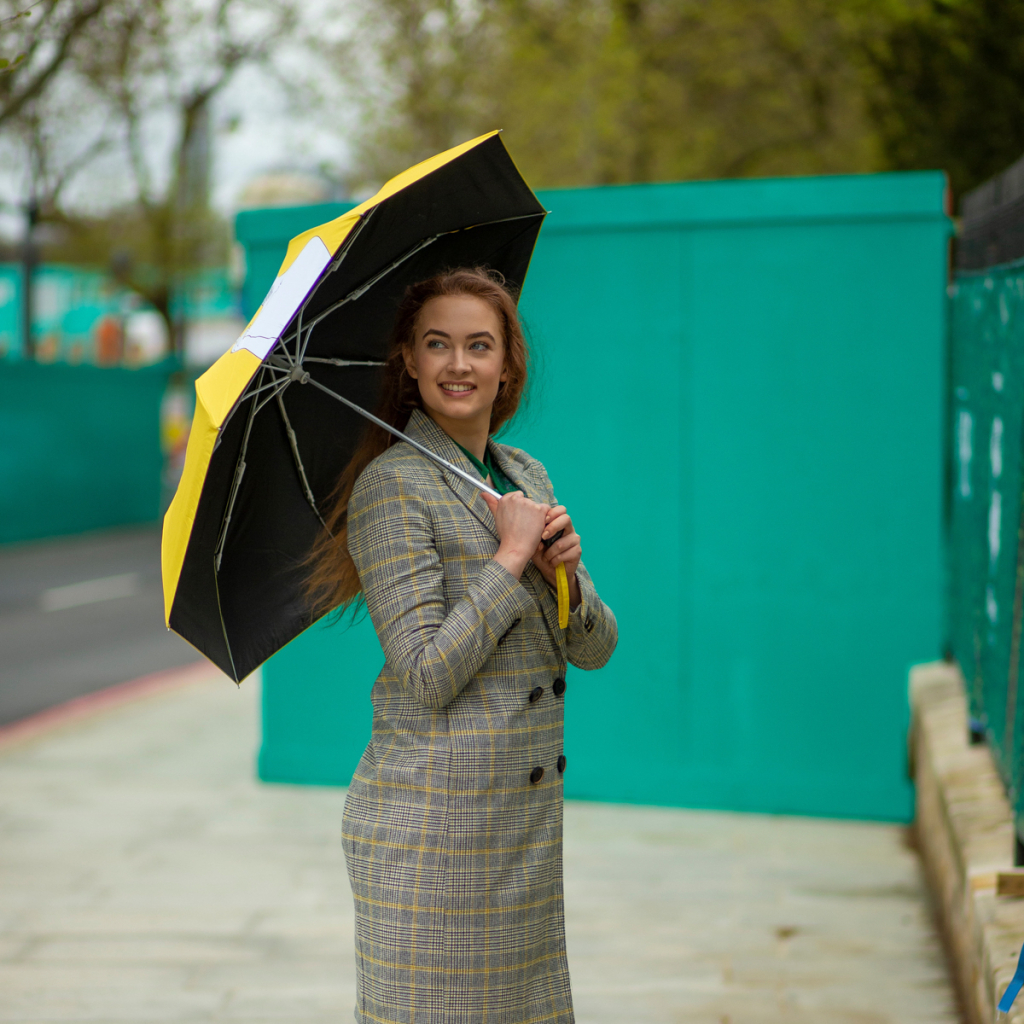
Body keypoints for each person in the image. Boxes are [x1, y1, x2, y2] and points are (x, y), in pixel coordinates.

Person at [306, 266, 618, 1024]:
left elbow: (596, 648)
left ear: (507, 362)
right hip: (434, 843)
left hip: (518, 836)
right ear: (408, 360)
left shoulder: (523, 474)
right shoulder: (392, 486)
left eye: (479, 345)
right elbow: (425, 674)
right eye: (437, 344)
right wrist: (511, 563)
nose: (458, 364)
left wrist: (566, 575)